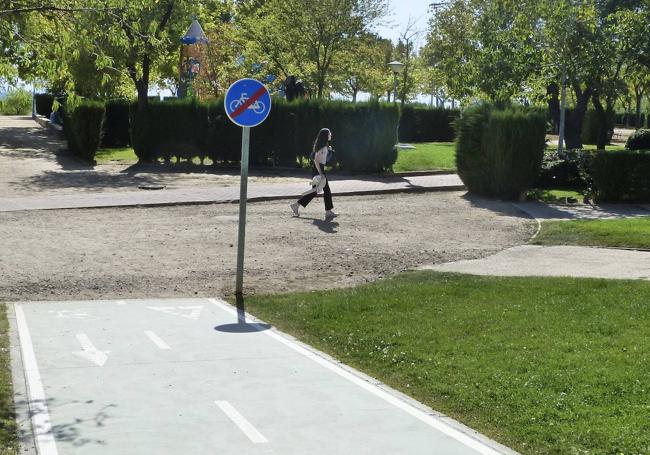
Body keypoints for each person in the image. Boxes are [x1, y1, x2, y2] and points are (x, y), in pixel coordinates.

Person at [290, 128, 337, 220]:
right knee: (326, 190)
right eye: (329, 134)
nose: (331, 135)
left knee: (316, 191)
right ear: (325, 135)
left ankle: (296, 205)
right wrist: (321, 173)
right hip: (319, 169)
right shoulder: (322, 147)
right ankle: (328, 211)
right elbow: (316, 160)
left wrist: (328, 149)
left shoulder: (323, 146)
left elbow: (322, 157)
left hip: (317, 169)